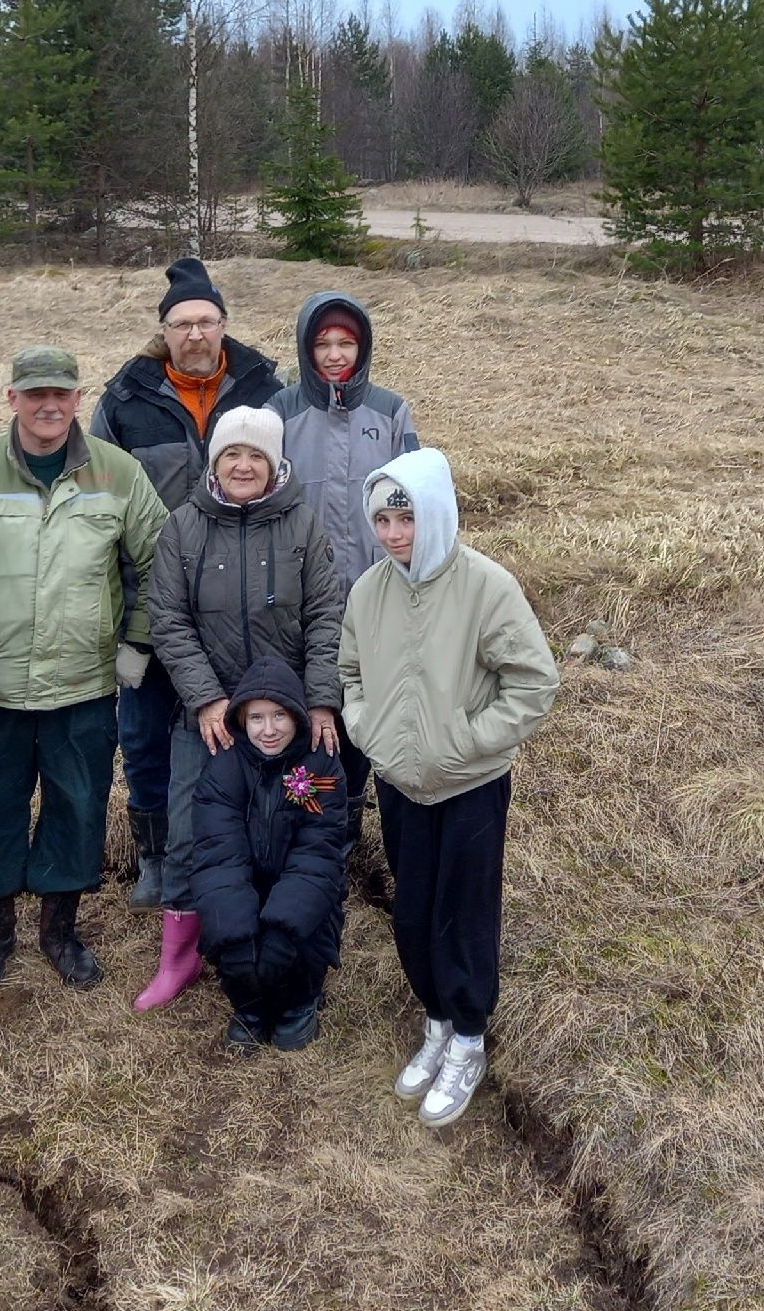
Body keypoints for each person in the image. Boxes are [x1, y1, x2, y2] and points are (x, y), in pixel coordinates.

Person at [0, 349, 168, 995]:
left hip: (83, 686)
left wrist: (137, 644)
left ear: (79, 398)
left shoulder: (118, 473)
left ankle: (61, 931)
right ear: (12, 399)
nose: (49, 406)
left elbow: (161, 561)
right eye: (35, 395)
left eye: (60, 393)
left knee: (77, 809)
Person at [339, 448, 559, 1128]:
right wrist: (368, 728)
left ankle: (468, 1039)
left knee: (463, 913)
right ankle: (435, 1020)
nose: (393, 533)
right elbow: (350, 672)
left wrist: (465, 742)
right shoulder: (368, 591)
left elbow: (534, 683)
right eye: (382, 520)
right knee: (413, 910)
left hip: (470, 786)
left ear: (434, 513)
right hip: (399, 782)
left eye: (405, 518)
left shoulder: (486, 587)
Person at [131, 406, 344, 1011]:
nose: (243, 466)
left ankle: (286, 940)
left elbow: (326, 615)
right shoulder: (183, 527)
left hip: (285, 719)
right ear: (215, 462)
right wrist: (206, 698)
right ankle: (180, 955)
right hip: (210, 714)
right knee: (188, 829)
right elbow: (169, 619)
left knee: (295, 822)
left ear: (275, 464)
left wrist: (320, 701)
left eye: (256, 455)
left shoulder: (303, 525)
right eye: (231, 454)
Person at [89, 259, 282, 910]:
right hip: (149, 609)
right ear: (164, 331)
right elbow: (99, 507)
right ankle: (154, 856)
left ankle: (241, 847)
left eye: (206, 321)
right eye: (182, 324)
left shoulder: (264, 388)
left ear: (223, 324)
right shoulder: (124, 401)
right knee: (144, 738)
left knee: (240, 728)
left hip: (241, 607)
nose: (195, 334)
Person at [269, 289, 420, 816]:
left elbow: (417, 502)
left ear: (363, 348)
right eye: (323, 344)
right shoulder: (280, 412)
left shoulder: (390, 411)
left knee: (360, 714)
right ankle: (304, 819)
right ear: (305, 348)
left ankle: (349, 817)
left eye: (346, 343)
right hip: (298, 603)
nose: (334, 355)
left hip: (375, 598)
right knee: (305, 714)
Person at [184, 653, 348, 1054]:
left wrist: (282, 932)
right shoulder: (224, 768)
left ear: (297, 716)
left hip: (297, 894)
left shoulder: (319, 767)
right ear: (242, 720)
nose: (269, 730)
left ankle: (300, 1000)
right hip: (248, 891)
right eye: (257, 718)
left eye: (279, 716)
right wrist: (238, 937)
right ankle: (249, 1005)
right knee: (228, 929)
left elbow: (318, 856)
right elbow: (218, 857)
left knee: (308, 919)